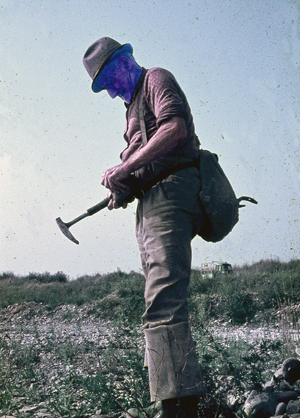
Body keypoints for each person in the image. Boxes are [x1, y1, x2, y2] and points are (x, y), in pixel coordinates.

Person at [83, 37, 205, 418]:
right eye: (102, 88)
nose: (110, 91)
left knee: (163, 299)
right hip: (152, 201)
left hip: (172, 193)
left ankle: (177, 408)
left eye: (110, 80)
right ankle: (178, 399)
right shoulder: (130, 109)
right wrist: (124, 186)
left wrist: (123, 168)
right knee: (159, 297)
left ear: (126, 59)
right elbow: (143, 161)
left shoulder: (155, 79)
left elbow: (175, 130)